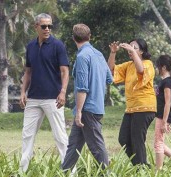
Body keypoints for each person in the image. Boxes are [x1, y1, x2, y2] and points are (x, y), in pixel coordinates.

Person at [19, 13, 69, 172]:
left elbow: (64, 71)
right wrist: (22, 92)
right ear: (36, 27)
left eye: (50, 26)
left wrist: (63, 92)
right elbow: (28, 72)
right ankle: (22, 171)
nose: (47, 29)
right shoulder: (31, 46)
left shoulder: (58, 45)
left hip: (53, 99)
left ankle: (70, 171)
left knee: (60, 137)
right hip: (33, 99)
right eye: (44, 26)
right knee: (27, 136)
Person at [62, 24, 113, 172]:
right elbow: (109, 78)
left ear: (73, 38)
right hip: (97, 106)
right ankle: (65, 172)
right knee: (74, 145)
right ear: (89, 37)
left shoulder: (82, 56)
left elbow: (82, 88)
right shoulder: (98, 54)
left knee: (96, 146)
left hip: (87, 109)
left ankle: (107, 174)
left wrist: (78, 112)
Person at [108, 39, 156, 166]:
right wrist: (113, 53)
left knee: (137, 139)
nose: (130, 50)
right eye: (130, 47)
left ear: (141, 51)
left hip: (145, 108)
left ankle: (141, 167)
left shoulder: (148, 64)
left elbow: (141, 71)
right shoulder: (129, 65)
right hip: (131, 108)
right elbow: (111, 70)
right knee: (123, 138)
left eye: (134, 48)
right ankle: (140, 165)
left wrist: (131, 51)